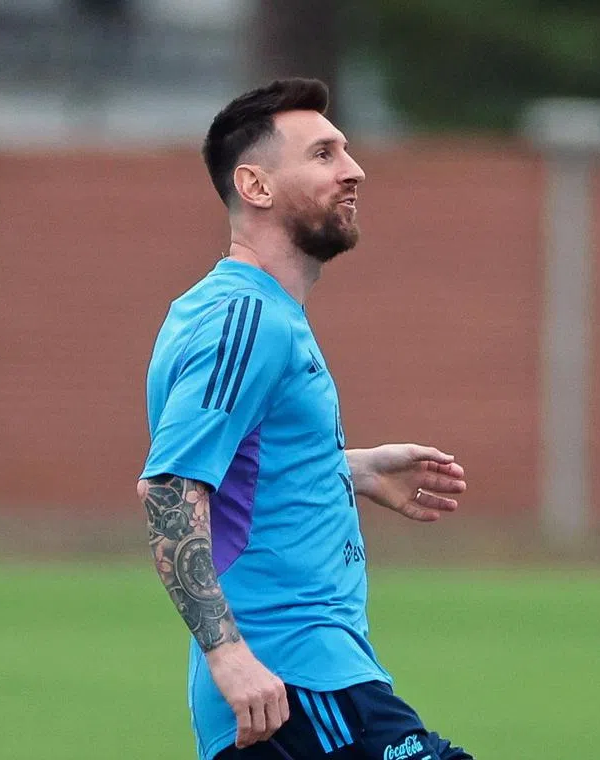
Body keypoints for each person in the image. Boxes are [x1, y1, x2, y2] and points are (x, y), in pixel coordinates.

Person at [136, 77, 473, 760]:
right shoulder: (246, 317)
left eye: (346, 151)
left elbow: (234, 465)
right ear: (255, 186)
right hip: (297, 683)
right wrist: (230, 656)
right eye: (323, 155)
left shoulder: (250, 312)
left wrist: (349, 467)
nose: (354, 170)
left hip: (306, 686)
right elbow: (171, 489)